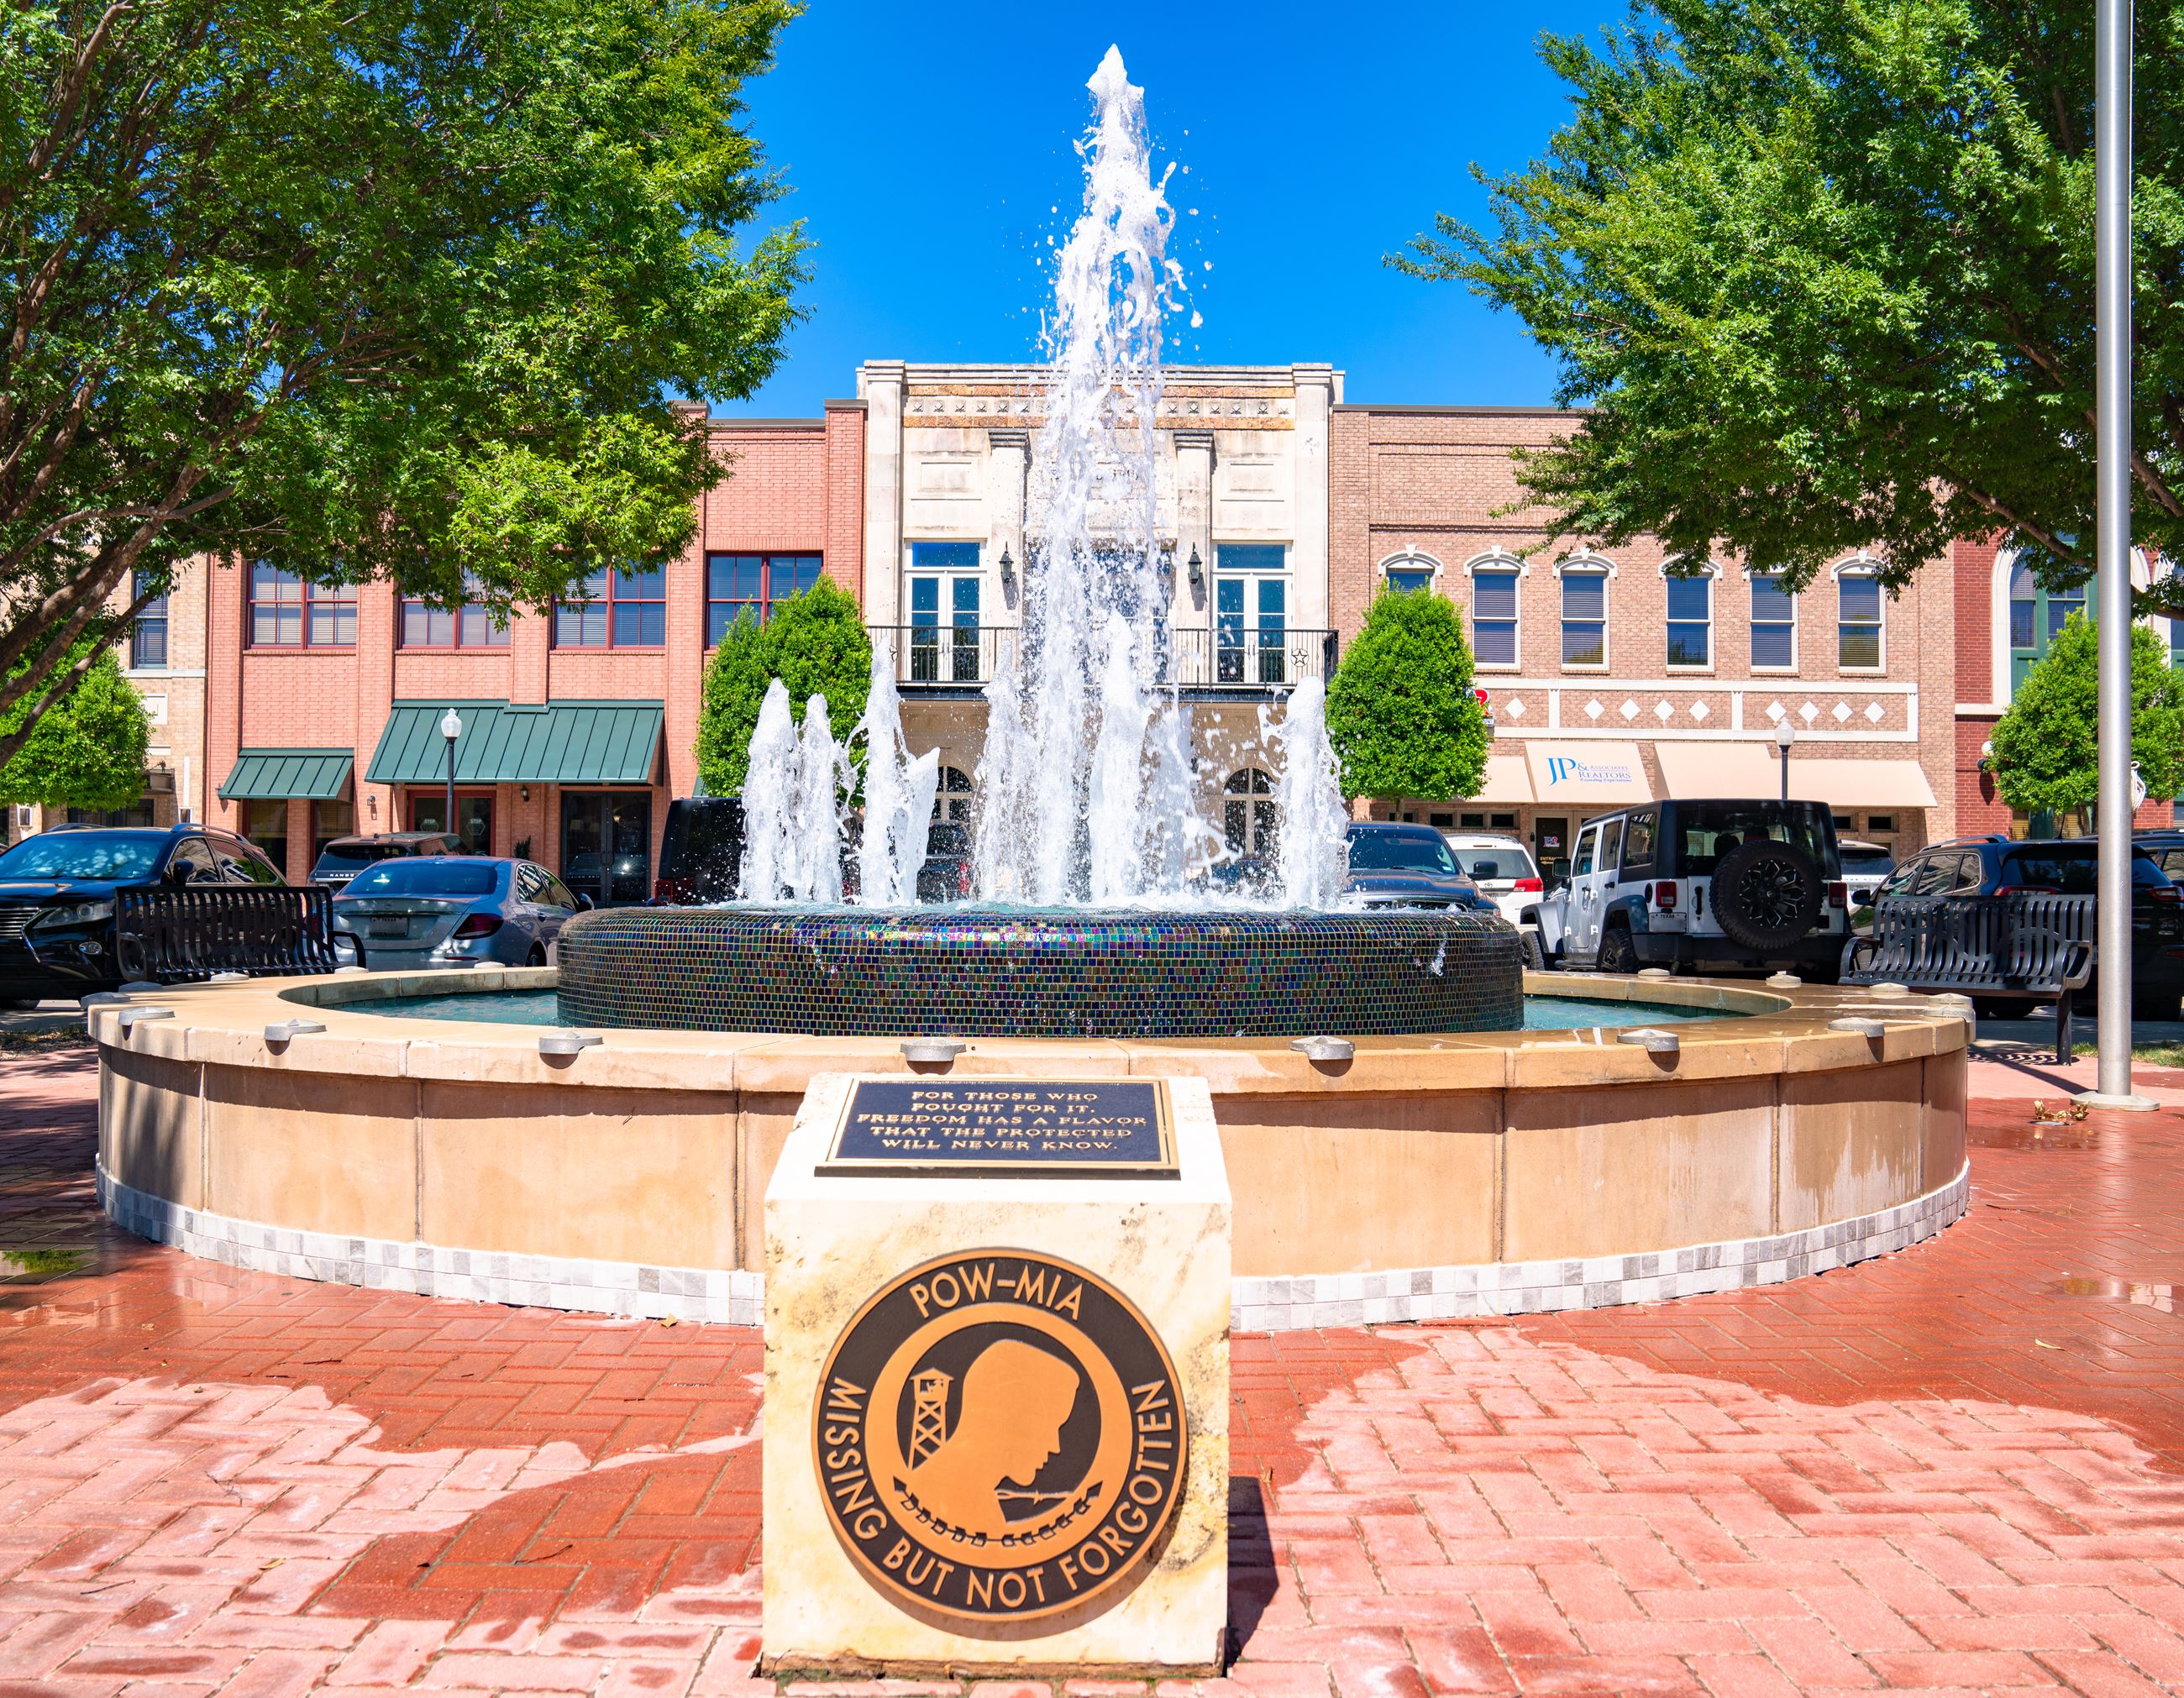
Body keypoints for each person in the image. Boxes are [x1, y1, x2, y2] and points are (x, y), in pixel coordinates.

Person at [906, 1339, 1081, 1537]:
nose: (1055, 1446)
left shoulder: (979, 1507)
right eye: (1049, 1427)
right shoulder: (944, 1500)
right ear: (1009, 1414)